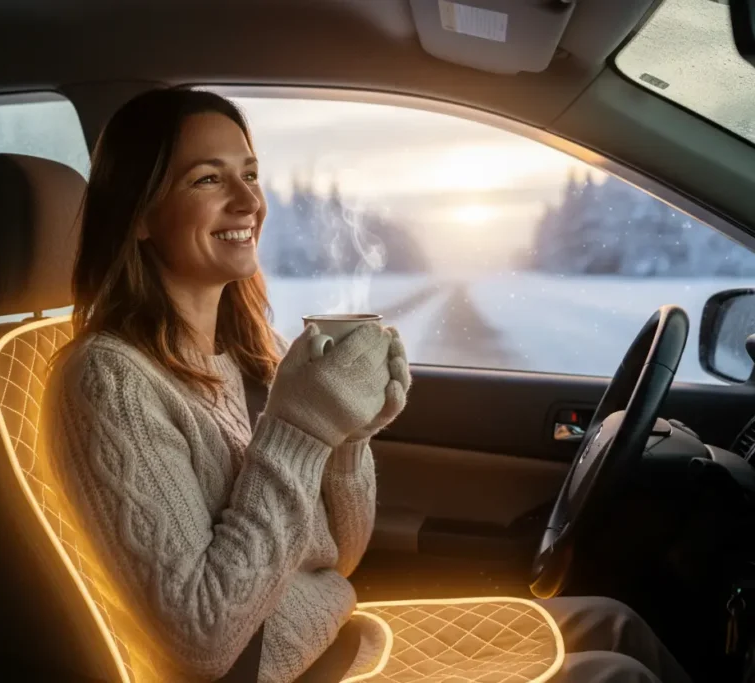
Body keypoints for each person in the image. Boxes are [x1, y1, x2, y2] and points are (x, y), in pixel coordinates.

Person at [44, 88, 692, 683]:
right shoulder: (109, 380)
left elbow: (339, 555)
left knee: (614, 623)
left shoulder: (237, 355)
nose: (248, 202)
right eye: (208, 178)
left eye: (249, 173)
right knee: (615, 677)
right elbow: (205, 638)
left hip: (335, 636)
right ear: (139, 216)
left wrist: (351, 432)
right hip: (280, 669)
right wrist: (300, 430)